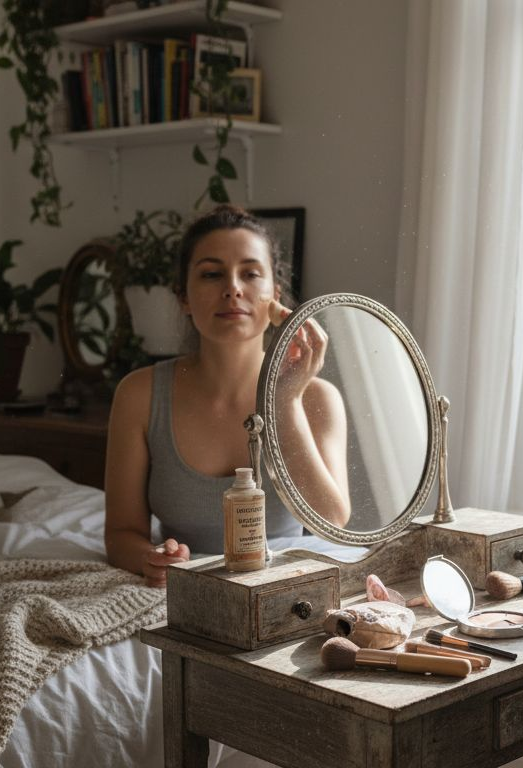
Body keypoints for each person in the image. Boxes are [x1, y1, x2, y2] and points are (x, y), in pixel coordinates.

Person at [105, 204, 350, 587]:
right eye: (211, 274)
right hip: (184, 590)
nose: (232, 288)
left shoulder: (317, 398)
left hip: (281, 587)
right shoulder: (139, 394)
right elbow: (121, 533)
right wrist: (151, 559)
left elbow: (331, 520)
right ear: (184, 297)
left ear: (275, 296)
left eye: (250, 273)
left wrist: (285, 401)